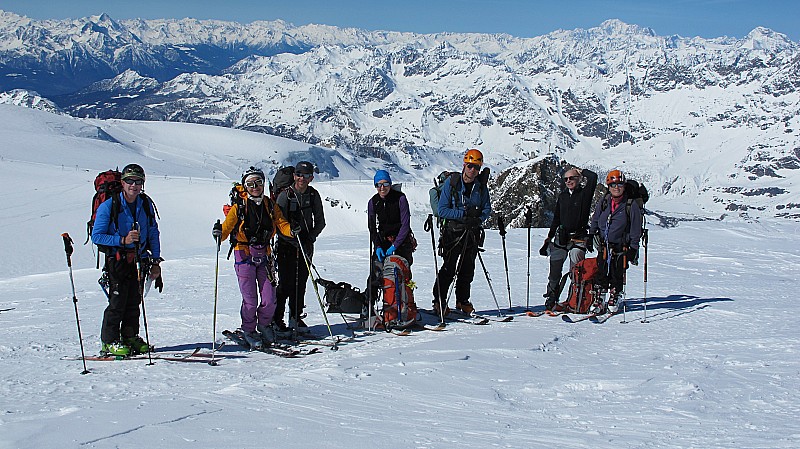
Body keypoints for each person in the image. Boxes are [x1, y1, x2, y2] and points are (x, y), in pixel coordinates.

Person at [213, 167, 294, 348]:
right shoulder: (239, 207)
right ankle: (249, 329)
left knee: (269, 298)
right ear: (245, 186)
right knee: (250, 300)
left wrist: (291, 231)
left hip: (264, 255)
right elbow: (227, 227)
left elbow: (281, 223)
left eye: (258, 183)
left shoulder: (269, 205)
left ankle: (264, 325)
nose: (255, 187)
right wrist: (219, 233)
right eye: (250, 184)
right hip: (244, 255)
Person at [91, 164, 162, 356]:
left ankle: (130, 336)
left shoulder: (145, 204)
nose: (134, 185)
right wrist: (122, 240)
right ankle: (109, 341)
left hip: (140, 259)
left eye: (138, 181)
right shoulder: (110, 205)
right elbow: (97, 236)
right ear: (122, 182)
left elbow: (154, 233)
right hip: (118, 260)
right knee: (117, 302)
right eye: (130, 181)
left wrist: (156, 261)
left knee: (133, 300)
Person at [432, 149, 492, 316]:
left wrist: (478, 219)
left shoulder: (481, 187)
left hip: (471, 232)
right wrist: (463, 215)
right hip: (453, 233)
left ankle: (462, 300)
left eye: (476, 167)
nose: (473, 170)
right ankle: (439, 300)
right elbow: (442, 210)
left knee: (467, 269)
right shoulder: (452, 184)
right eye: (470, 166)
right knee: (449, 269)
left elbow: (487, 209)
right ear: (464, 165)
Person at [273, 161, 326, 332]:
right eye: (298, 174)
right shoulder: (285, 196)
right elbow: (278, 222)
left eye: (305, 175)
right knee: (286, 284)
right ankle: (276, 319)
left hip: (305, 245)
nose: (301, 178)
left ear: (311, 177)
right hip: (286, 245)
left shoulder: (313, 195)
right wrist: (290, 234)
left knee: (301, 282)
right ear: (294, 176)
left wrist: (310, 237)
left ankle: (295, 317)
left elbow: (320, 222)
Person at [541, 166, 598, 310]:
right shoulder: (563, 196)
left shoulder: (584, 194)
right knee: (555, 270)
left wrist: (581, 171)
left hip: (578, 238)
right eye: (566, 179)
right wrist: (549, 237)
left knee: (576, 271)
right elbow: (557, 218)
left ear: (578, 179)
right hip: (561, 238)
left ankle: (574, 299)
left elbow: (593, 178)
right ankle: (552, 297)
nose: (568, 181)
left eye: (572, 178)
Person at [588, 169, 643, 313]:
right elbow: (596, 217)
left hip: (621, 246)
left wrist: (634, 247)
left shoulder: (631, 205)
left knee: (617, 272)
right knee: (601, 271)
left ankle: (615, 295)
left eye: (619, 184)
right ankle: (600, 297)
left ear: (624, 186)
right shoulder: (605, 200)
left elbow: (635, 229)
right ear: (608, 187)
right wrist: (591, 233)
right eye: (613, 185)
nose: (616, 188)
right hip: (603, 244)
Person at [366, 169, 415, 305]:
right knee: (375, 274)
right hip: (383, 241)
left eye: (385, 184)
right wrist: (378, 246)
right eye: (378, 185)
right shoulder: (373, 202)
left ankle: (407, 304)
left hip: (401, 241)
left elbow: (405, 225)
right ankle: (369, 305)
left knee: (404, 273)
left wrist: (395, 245)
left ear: (390, 184)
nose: (382, 188)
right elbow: (372, 227)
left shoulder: (400, 199)